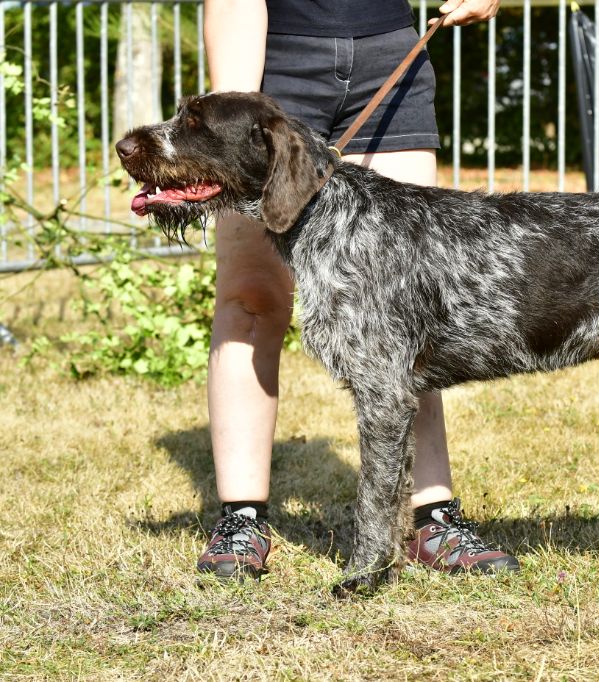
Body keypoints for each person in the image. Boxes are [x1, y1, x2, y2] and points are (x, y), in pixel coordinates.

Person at [197, 0, 517, 580]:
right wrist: (230, 117)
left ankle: (432, 519)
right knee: (251, 297)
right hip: (272, 54)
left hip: (387, 50)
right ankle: (241, 518)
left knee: (405, 307)